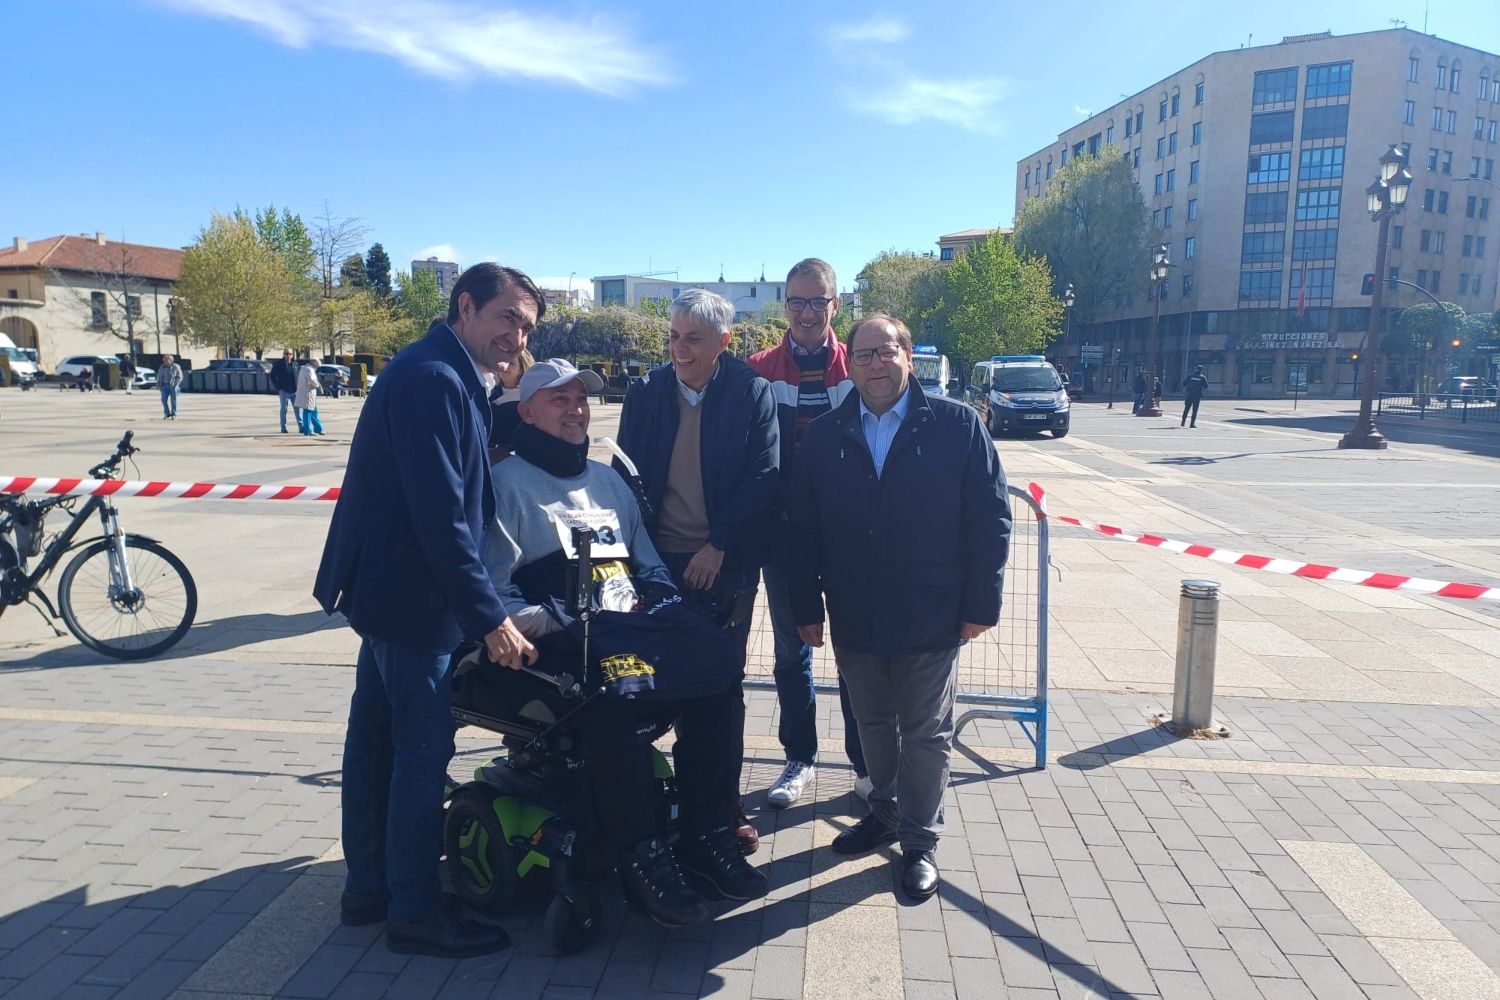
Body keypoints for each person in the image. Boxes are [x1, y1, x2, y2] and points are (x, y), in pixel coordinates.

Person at [467, 357, 768, 927]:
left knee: (716, 668)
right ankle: (640, 851)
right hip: (557, 638)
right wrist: (564, 617)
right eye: (559, 400)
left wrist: (658, 605)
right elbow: (495, 599)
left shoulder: (609, 481)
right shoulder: (503, 487)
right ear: (526, 412)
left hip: (620, 622)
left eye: (581, 399)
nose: (576, 409)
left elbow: (648, 567)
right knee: (614, 691)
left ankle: (707, 828)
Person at [314, 263, 542, 959]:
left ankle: (370, 889)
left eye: (528, 327)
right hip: (415, 603)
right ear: (465, 306)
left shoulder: (438, 370)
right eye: (507, 318)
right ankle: (414, 910)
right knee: (420, 752)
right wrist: (489, 618)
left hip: (388, 594)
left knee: (376, 742)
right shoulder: (433, 379)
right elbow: (441, 518)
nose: (516, 337)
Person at [788, 314, 1010, 900]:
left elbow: (991, 519)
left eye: (886, 352)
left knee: (926, 732)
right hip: (856, 612)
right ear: (850, 364)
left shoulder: (958, 426)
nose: (875, 364)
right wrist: (805, 605)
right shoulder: (826, 435)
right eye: (863, 355)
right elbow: (803, 529)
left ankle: (919, 842)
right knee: (871, 725)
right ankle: (882, 810)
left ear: (908, 357)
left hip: (932, 612)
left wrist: (982, 601)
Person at [616, 288, 779, 853]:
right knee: (654, 686)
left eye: (693, 339)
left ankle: (720, 803)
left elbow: (764, 476)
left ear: (724, 343)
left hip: (722, 566)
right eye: (673, 336)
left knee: (719, 689)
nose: (679, 350)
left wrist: (718, 546)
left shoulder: (751, 392)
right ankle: (660, 803)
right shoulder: (647, 393)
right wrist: (638, 561)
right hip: (656, 565)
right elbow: (628, 478)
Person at [748, 258, 867, 809]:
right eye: (796, 301)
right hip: (785, 539)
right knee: (791, 651)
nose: (805, 312)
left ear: (835, 305)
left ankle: (865, 764)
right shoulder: (759, 369)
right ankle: (800, 760)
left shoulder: (861, 368)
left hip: (848, 537)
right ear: (785, 306)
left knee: (855, 650)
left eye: (817, 301)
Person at [271, 348, 299, 432]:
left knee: (298, 409)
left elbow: (299, 376)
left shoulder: (295, 364)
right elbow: (272, 376)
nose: (288, 356)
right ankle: (283, 428)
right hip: (284, 390)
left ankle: (301, 427)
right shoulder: (278, 364)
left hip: (294, 390)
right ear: (283, 354)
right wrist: (278, 387)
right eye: (286, 354)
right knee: (284, 409)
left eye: (290, 354)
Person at [296, 356, 324, 436]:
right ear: (314, 363)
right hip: (308, 394)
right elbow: (312, 381)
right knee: (308, 412)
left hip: (308, 394)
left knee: (313, 411)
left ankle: (318, 428)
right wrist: (317, 385)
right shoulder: (309, 370)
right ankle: (308, 430)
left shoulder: (304, 369)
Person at [157, 355, 182, 419]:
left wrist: (175, 384)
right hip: (164, 386)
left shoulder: (175, 366)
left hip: (173, 386)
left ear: (170, 360)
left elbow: (179, 376)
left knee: (173, 400)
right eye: (164, 360)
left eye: (166, 360)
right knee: (163, 400)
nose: (164, 361)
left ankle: (174, 414)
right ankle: (167, 414)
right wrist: (158, 385)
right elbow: (159, 376)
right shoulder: (162, 367)